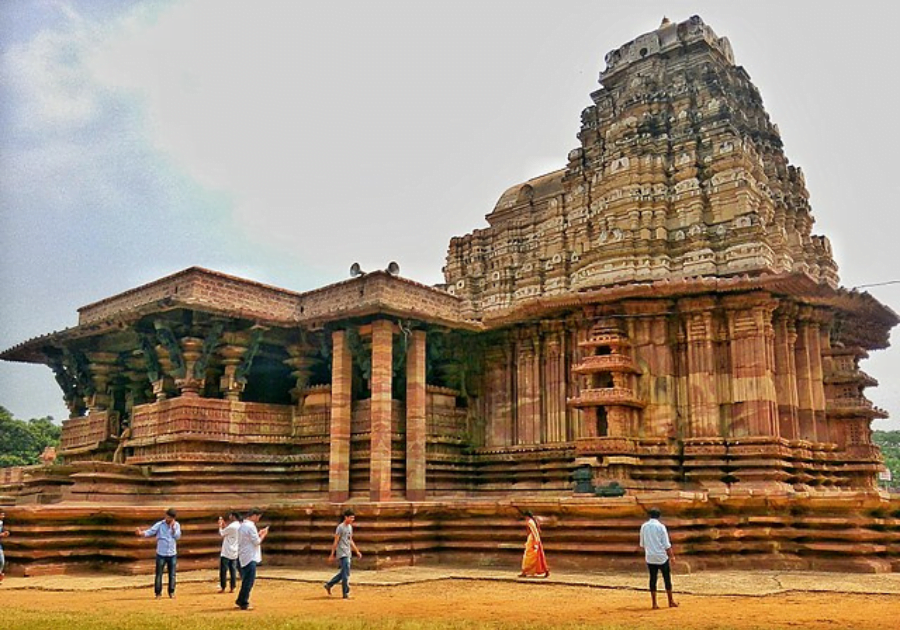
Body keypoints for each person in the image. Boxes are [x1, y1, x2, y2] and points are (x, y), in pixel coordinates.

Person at [136, 508, 182, 599]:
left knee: (172, 574)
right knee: (159, 574)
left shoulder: (176, 525)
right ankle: (158, 593)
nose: (168, 519)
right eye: (167, 517)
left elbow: (177, 536)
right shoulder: (160, 524)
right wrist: (141, 533)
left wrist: (173, 529)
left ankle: (171, 592)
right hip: (161, 553)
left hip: (172, 553)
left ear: (173, 518)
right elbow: (151, 531)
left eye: (170, 518)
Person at [639, 507, 678, 609]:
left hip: (650, 557)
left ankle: (654, 603)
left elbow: (642, 544)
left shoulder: (644, 526)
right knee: (667, 578)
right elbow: (666, 544)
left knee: (653, 579)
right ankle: (670, 601)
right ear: (659, 516)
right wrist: (672, 556)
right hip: (661, 557)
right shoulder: (661, 527)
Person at [324, 508, 362, 599]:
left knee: (344, 573)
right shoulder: (340, 527)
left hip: (348, 552)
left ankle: (329, 584)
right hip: (342, 552)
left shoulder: (350, 527)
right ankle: (345, 593)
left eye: (353, 518)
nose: (353, 520)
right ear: (346, 517)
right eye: (351, 518)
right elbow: (336, 541)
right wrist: (332, 554)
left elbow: (350, 540)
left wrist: (357, 551)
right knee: (346, 574)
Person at [235, 508, 269, 611]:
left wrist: (258, 534)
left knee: (246, 580)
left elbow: (249, 539)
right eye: (258, 517)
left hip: (243, 555)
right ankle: (243, 602)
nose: (258, 519)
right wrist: (263, 535)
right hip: (250, 556)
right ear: (254, 515)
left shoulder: (242, 526)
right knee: (248, 581)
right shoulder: (250, 526)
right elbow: (256, 542)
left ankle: (241, 599)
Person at [517, 510, 549, 578]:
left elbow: (535, 532)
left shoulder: (530, 522)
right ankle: (544, 570)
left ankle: (525, 571)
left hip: (532, 540)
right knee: (537, 557)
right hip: (533, 539)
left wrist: (536, 542)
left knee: (528, 556)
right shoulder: (533, 521)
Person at [217, 511, 241, 593]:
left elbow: (222, 533)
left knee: (223, 570)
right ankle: (232, 587)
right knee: (233, 570)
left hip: (226, 551)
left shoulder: (232, 526)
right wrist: (224, 525)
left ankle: (223, 587)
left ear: (233, 516)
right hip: (235, 550)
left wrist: (220, 526)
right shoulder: (239, 525)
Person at [0, 510, 9, 582]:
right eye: (1, 515)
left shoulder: (1, 523)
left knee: (1, 561)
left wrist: (4, 533)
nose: (3, 517)